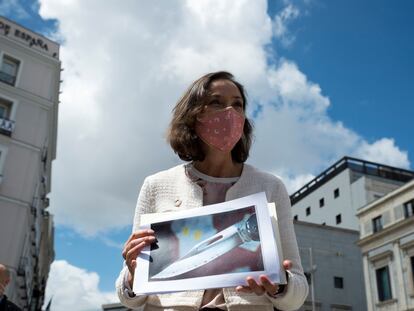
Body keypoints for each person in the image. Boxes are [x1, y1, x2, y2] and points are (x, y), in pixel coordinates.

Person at [116, 71, 308, 310]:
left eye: (237, 105)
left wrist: (280, 286)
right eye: (216, 102)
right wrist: (134, 275)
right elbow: (129, 297)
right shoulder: (156, 185)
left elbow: (297, 292)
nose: (230, 113)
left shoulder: (270, 187)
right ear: (193, 115)